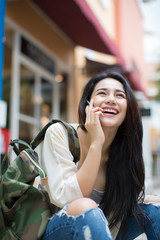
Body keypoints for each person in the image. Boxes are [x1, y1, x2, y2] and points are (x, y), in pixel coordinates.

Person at [41, 72, 160, 240]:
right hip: (60, 230)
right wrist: (96, 142)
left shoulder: (125, 149)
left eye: (119, 95)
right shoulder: (60, 134)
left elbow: (125, 204)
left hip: (105, 233)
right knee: (85, 206)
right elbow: (66, 199)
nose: (111, 99)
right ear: (88, 103)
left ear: (128, 109)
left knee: (157, 206)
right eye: (102, 93)